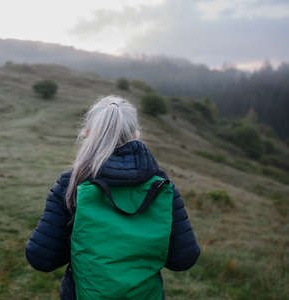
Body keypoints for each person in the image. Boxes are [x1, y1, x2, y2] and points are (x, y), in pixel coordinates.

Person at [25, 95, 201, 299]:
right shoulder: (160, 186)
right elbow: (184, 258)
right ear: (136, 135)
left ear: (87, 134)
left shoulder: (71, 184)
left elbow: (40, 258)